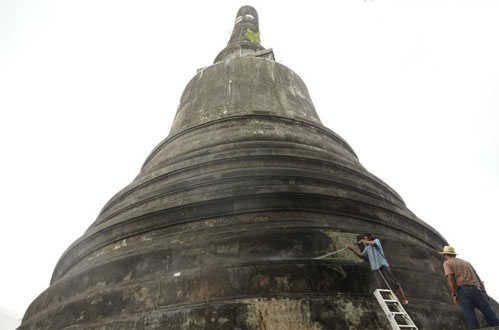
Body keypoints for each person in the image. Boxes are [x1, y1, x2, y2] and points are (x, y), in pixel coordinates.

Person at [440, 245, 499, 329]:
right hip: (477, 289)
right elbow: (477, 277)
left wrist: (454, 294)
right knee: (489, 313)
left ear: (445, 255)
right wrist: (485, 292)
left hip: (463, 290)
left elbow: (450, 278)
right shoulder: (466, 262)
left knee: (470, 315)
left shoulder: (447, 263)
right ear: (454, 254)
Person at [348, 233, 408, 304]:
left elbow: (373, 244)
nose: (365, 239)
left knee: (393, 282)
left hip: (383, 264)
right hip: (375, 268)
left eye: (365, 238)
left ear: (370, 237)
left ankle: (403, 298)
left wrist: (364, 241)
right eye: (364, 238)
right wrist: (352, 250)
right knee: (381, 285)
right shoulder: (367, 248)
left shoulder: (376, 241)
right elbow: (362, 256)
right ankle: (390, 301)